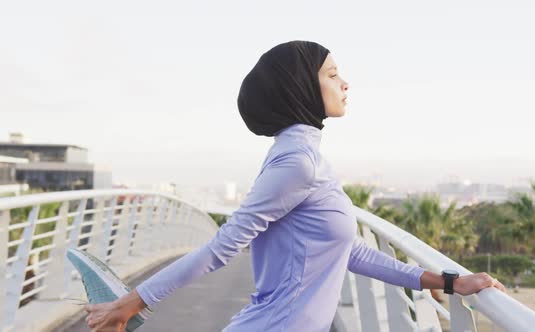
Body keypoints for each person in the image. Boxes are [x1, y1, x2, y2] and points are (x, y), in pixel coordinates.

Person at [83, 40, 506, 332]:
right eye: (333, 74)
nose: (345, 84)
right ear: (300, 86)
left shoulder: (306, 158)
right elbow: (222, 247)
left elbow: (348, 250)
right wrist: (131, 304)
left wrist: (448, 282)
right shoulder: (298, 163)